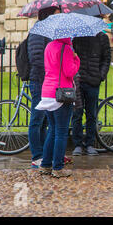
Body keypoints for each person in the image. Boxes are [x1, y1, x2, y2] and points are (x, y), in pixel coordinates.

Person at [37, 37, 80, 178]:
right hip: (61, 93)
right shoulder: (66, 48)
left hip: (47, 91)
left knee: (52, 130)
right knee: (61, 132)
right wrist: (76, 59)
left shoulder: (49, 46)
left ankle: (45, 165)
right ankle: (58, 168)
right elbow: (69, 72)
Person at [27, 6, 59, 168]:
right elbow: (38, 58)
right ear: (48, 15)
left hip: (46, 81)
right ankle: (37, 155)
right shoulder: (39, 32)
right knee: (37, 120)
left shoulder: (47, 32)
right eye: (56, 14)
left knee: (45, 120)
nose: (59, 18)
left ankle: (45, 154)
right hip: (40, 81)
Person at [71, 29, 111, 156]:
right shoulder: (76, 36)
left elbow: (106, 59)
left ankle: (89, 143)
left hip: (93, 81)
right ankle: (77, 144)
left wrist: (101, 76)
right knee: (77, 113)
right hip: (78, 80)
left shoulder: (102, 37)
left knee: (91, 115)